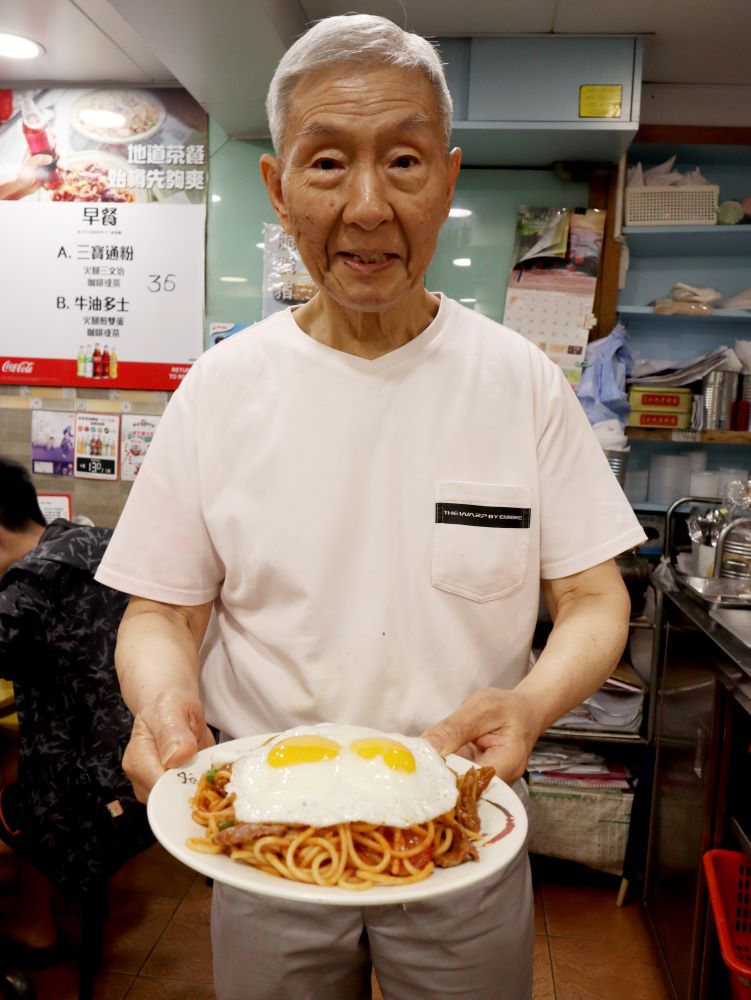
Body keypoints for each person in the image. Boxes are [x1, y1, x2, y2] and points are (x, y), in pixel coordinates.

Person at [96, 14, 646, 1000]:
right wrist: (163, 702)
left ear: (447, 177)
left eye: (402, 161)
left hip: (462, 830)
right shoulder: (221, 387)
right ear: (275, 186)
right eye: (324, 163)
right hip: (263, 838)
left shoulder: (519, 381)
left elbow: (596, 597)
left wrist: (528, 703)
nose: (365, 206)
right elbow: (161, 611)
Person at [0, 458, 153, 968]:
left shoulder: (27, 586)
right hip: (139, 770)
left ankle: (32, 926)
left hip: (81, 801)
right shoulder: (99, 543)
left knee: (11, 779)